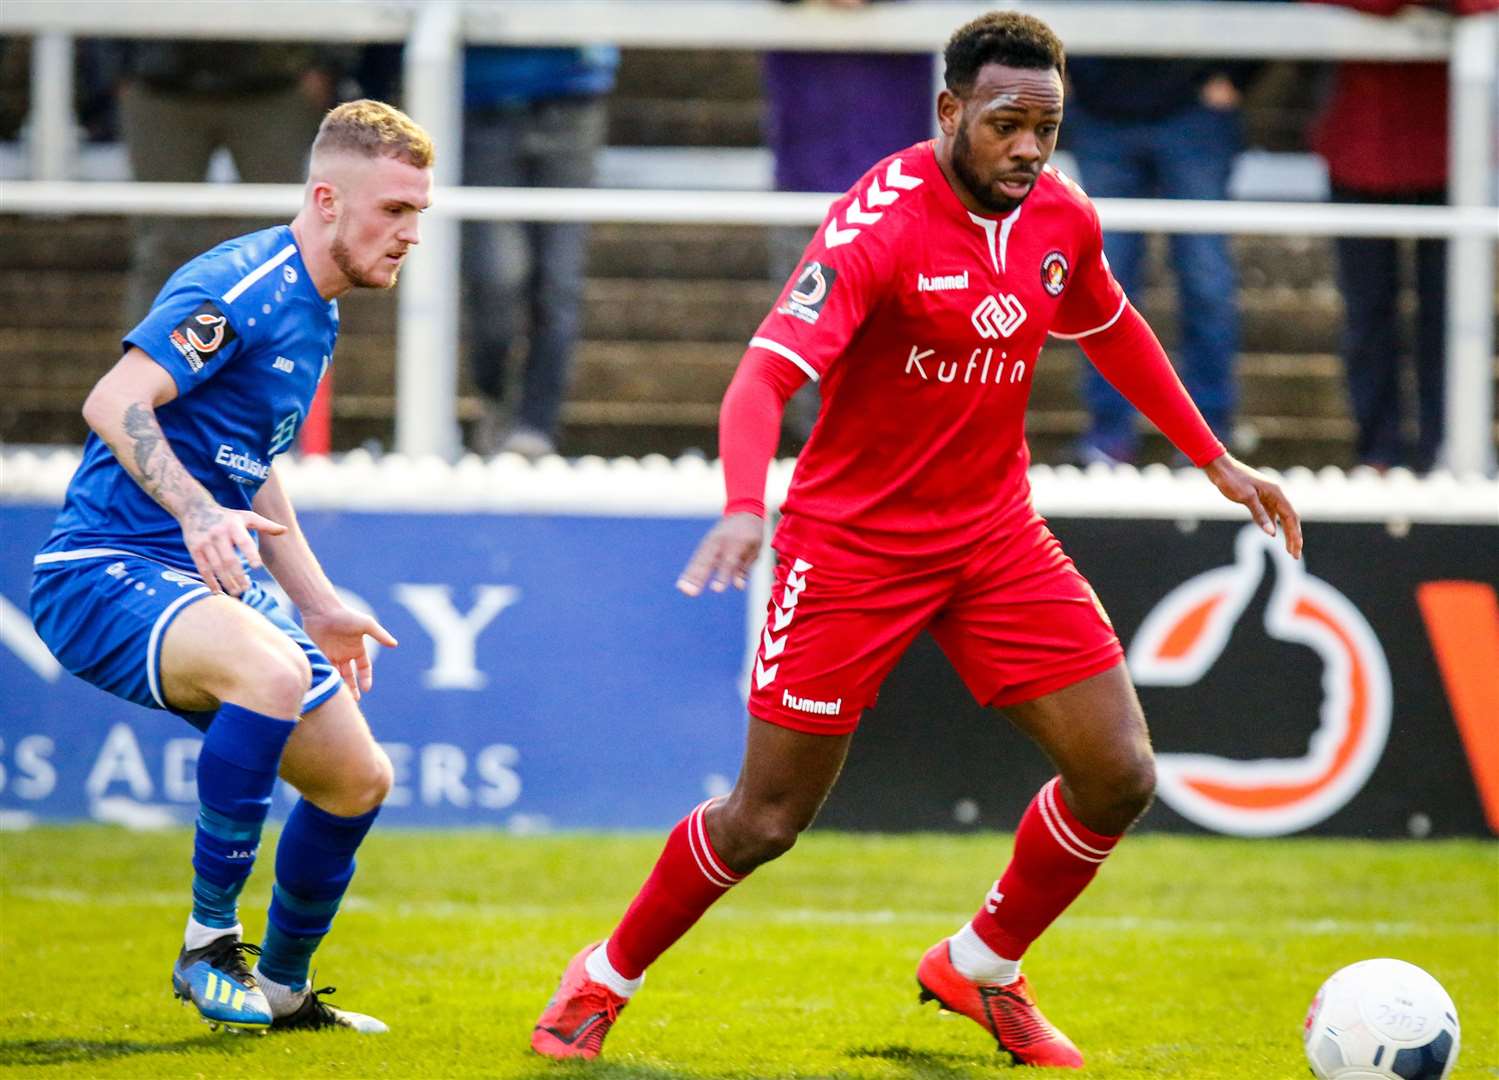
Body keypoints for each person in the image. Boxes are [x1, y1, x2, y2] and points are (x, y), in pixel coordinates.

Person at [531, 11, 1301, 1069]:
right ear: (949, 113)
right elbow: (762, 376)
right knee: (762, 820)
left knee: (1118, 773)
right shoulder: (876, 225)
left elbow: (1109, 323)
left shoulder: (1058, 216)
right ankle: (600, 980)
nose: (1027, 147)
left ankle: (980, 967)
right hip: (847, 549)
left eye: (1045, 125)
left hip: (992, 537)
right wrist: (745, 505)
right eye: (1004, 124)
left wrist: (1213, 458)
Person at [29, 100, 434, 1035]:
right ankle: (209, 945)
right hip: (105, 566)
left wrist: (320, 601)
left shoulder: (318, 311)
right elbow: (114, 397)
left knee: (355, 779)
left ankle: (282, 989)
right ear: (327, 199)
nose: (410, 233)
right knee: (271, 670)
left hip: (200, 573)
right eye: (394, 211)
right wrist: (196, 509)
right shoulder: (244, 285)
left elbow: (250, 466)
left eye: (419, 212)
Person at [1306, 0, 1496, 472]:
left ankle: (1446, 449)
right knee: (1368, 315)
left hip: (1450, 151)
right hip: (1361, 149)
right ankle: (1378, 454)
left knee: (1451, 315)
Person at [1063, 44, 1263, 463]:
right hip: (1102, 109)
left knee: (1205, 280)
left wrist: (1238, 72)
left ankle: (1209, 440)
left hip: (1194, 109)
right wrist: (1061, 68)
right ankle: (1108, 437)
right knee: (1101, 286)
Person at [762, 0, 935, 443]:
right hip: (808, 164)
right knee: (805, 334)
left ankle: (893, 468)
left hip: (898, 179)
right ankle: (819, 467)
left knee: (900, 335)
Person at [101, 40, 349, 327]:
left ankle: (284, 365)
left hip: (274, 81)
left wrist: (326, 64)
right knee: (163, 246)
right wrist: (116, 68)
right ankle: (148, 364)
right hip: (159, 80)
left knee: (285, 251)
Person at [461, 46, 617, 459]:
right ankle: (495, 398)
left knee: (559, 280)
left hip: (573, 89)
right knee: (496, 274)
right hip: (483, 92)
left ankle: (537, 425)